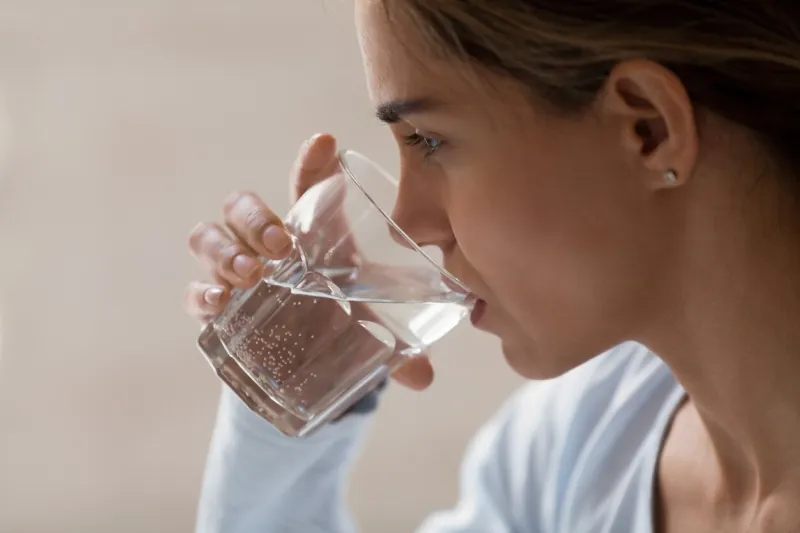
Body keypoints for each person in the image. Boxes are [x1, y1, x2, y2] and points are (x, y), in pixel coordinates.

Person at [183, 1, 800, 531]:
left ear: (648, 128)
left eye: (429, 140)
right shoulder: (575, 447)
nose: (411, 221)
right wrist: (289, 380)